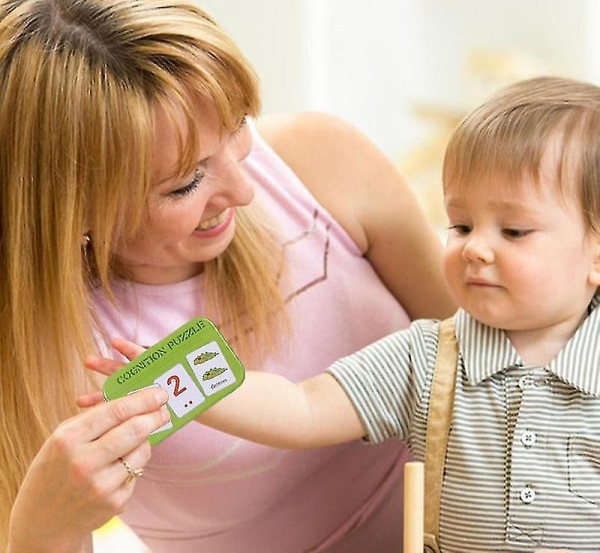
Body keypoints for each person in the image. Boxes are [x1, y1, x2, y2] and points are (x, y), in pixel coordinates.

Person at [1, 0, 456, 553]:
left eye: (239, 126)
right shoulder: (40, 347)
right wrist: (47, 527)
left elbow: (481, 348)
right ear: (72, 209)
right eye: (185, 182)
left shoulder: (321, 160)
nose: (245, 190)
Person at [90, 75, 600, 553]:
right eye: (461, 226)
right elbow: (303, 408)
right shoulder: (429, 358)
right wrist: (177, 381)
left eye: (513, 232)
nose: (475, 249)